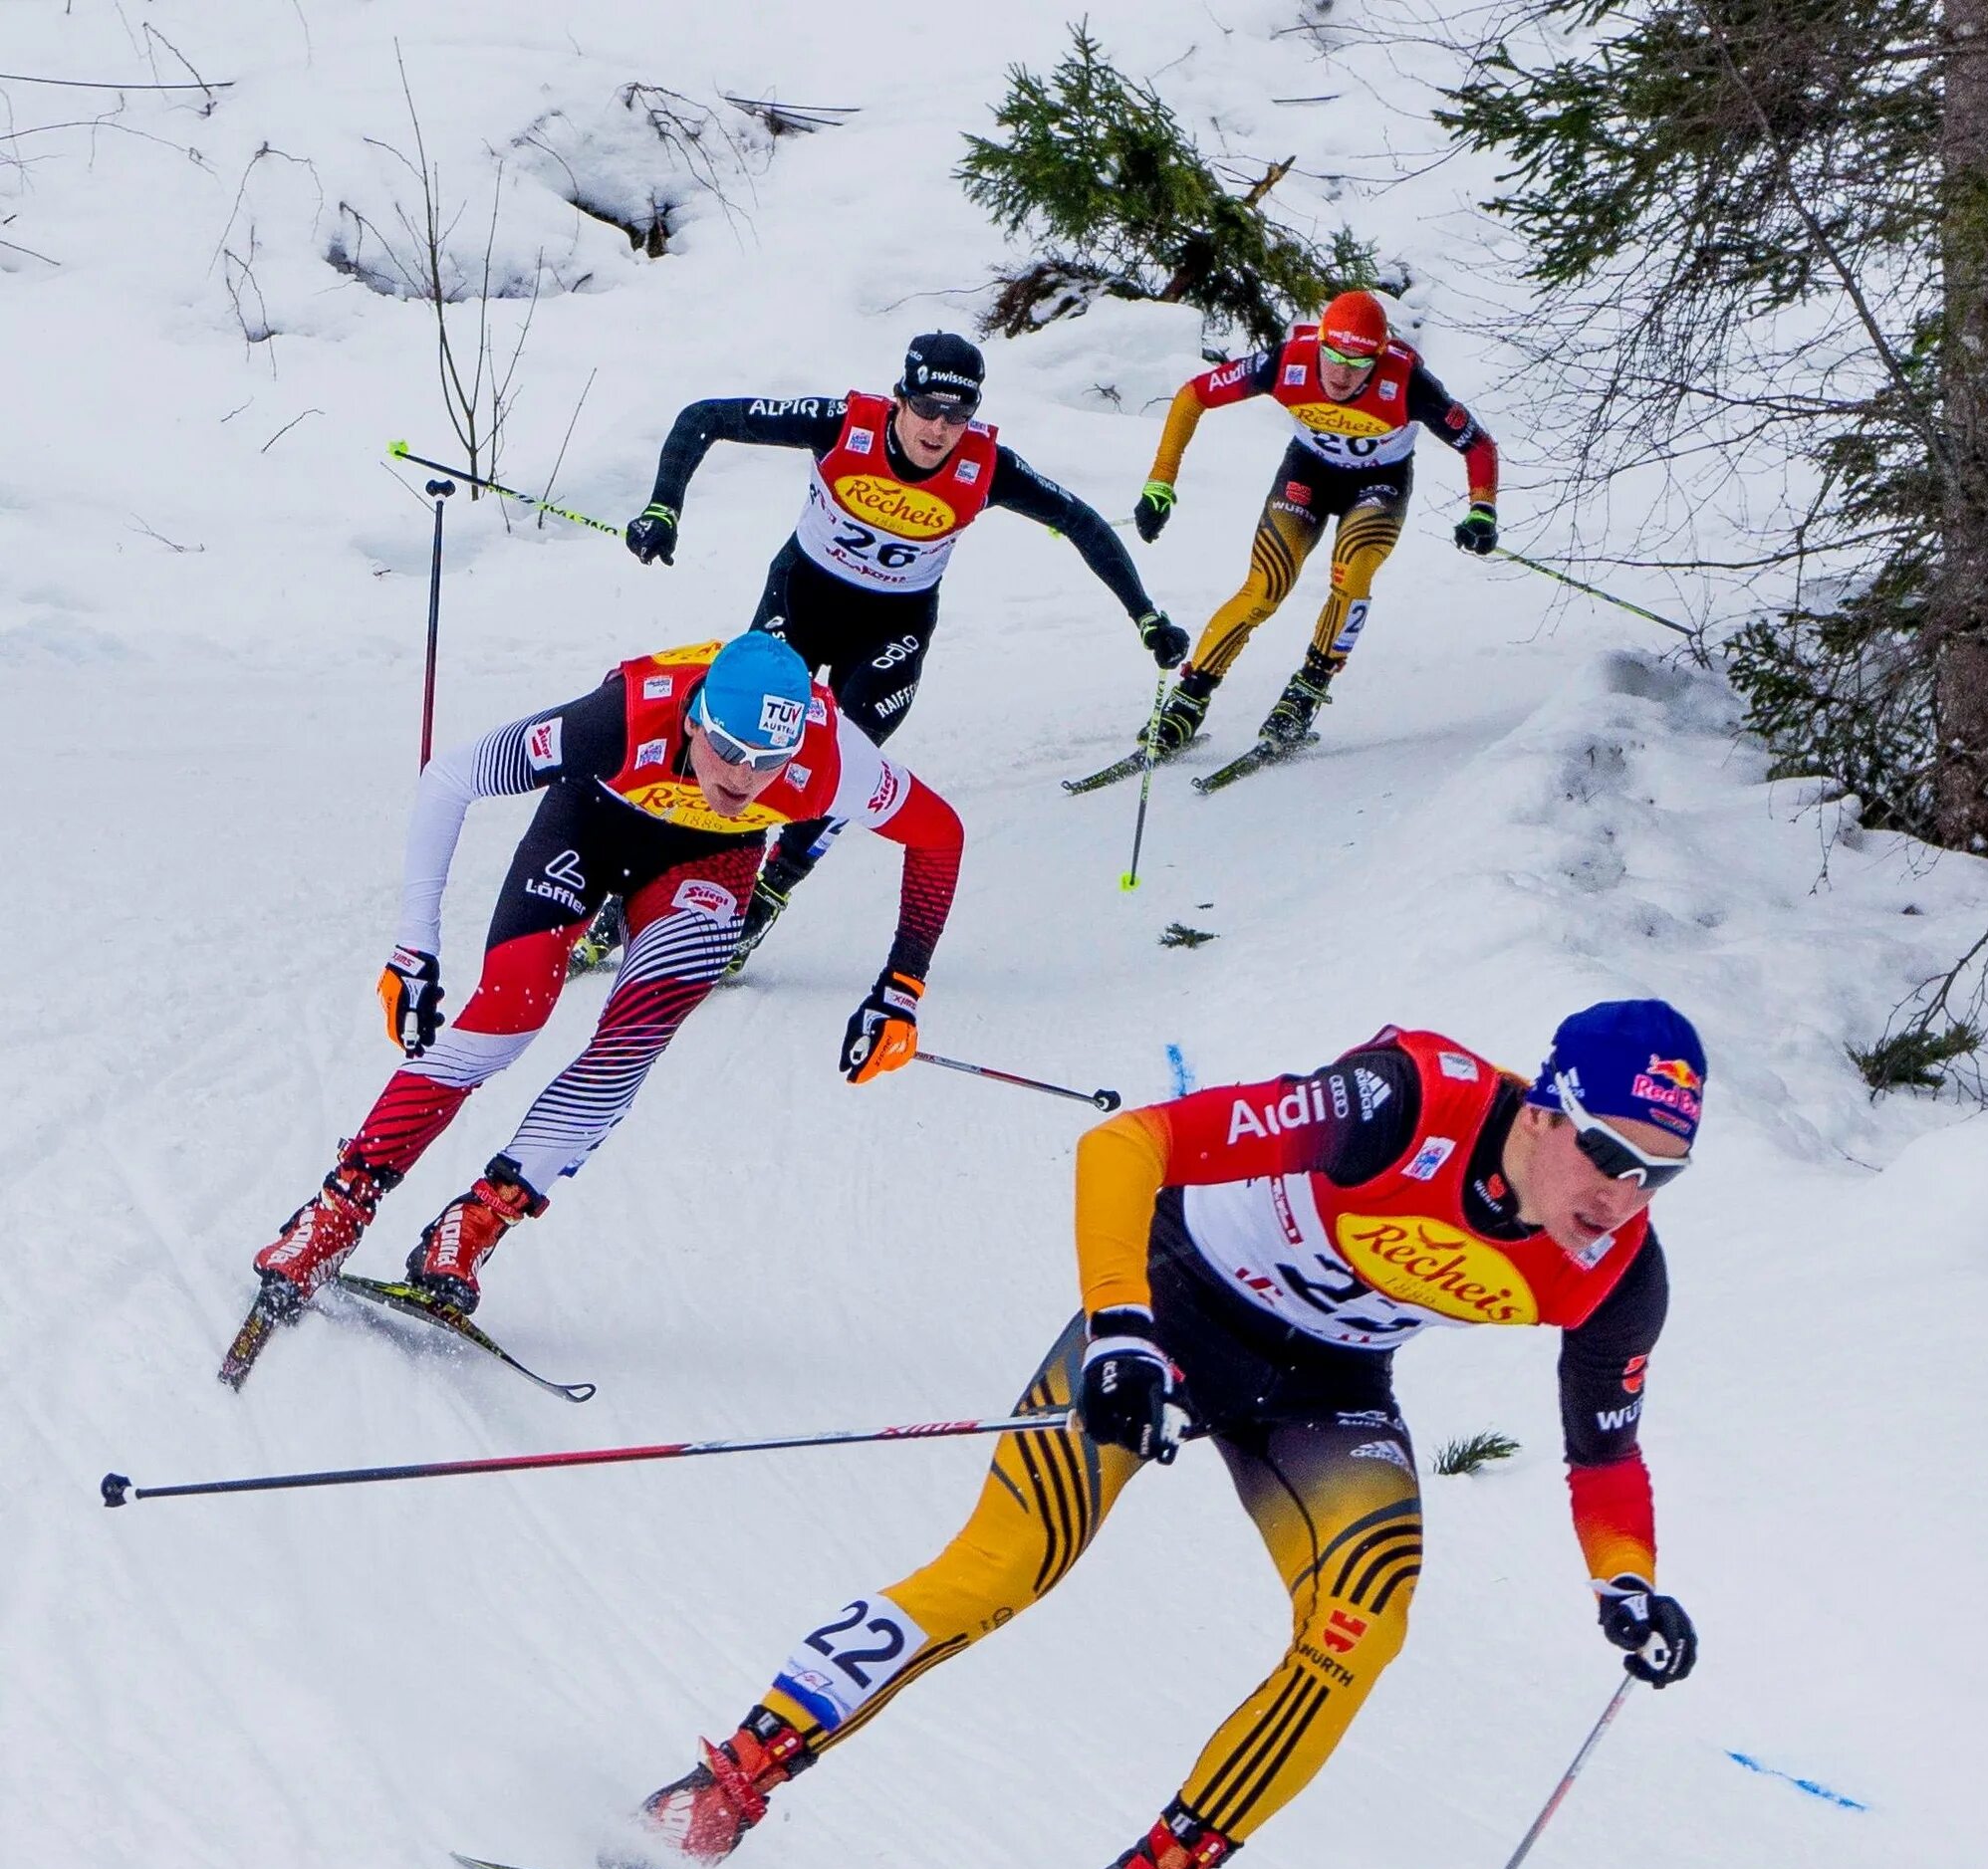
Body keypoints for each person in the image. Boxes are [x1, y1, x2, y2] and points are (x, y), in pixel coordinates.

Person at [636, 999, 1704, 1869]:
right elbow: (1125, 1145)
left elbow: (1604, 1453)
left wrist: (1626, 1578)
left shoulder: (1616, 1271)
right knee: (1007, 1564)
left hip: (1323, 1390)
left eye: (1659, 1172)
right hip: (1173, 1303)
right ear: (1543, 1111)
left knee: (1362, 1623)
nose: (1623, 1193)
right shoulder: (1403, 1102)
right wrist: (1119, 1328)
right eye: (1610, 1152)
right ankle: (720, 1790)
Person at [246, 632, 963, 1326]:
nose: (743, 777)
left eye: (767, 760)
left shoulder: (834, 760)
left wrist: (901, 988)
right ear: (693, 720)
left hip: (708, 861)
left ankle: (477, 1220)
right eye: (729, 750)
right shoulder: (618, 721)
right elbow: (450, 778)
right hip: (591, 821)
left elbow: (940, 834)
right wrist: (413, 948)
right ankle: (337, 1211)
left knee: (636, 1034)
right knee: (507, 1017)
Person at [624, 331, 1189, 957]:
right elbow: (703, 418)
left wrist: (1146, 615)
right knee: (738, 735)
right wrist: (664, 508)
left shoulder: (987, 465)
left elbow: (1080, 521)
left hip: (893, 627)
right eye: (927, 408)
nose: (940, 428)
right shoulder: (841, 424)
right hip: (801, 599)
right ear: (900, 398)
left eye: (958, 413)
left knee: (847, 757)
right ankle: (650, 875)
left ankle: (768, 894)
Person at [1129, 288, 1500, 762]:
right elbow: (1192, 396)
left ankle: (1306, 692)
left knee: (1355, 573)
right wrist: (1160, 483)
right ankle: (1189, 698)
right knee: (1265, 587)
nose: (1342, 373)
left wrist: (1481, 510)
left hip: (1379, 485)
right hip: (1308, 473)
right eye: (1332, 355)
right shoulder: (1288, 362)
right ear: (1318, 341)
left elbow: (1479, 444)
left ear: (1380, 357)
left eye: (1359, 362)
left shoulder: (1409, 383)